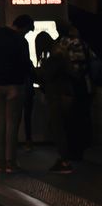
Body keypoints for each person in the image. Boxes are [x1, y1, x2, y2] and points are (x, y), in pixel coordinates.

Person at [0, 14, 34, 173]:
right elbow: (25, 64)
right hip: (14, 85)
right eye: (27, 31)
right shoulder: (21, 41)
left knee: (0, 121)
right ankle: (10, 162)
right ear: (24, 27)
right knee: (12, 123)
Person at [36, 31, 75, 174]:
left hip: (58, 96)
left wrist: (37, 71)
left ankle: (64, 161)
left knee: (57, 128)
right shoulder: (60, 53)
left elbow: (46, 75)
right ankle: (64, 159)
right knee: (61, 127)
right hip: (65, 95)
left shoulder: (55, 57)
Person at [57, 23, 94, 161]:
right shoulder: (81, 43)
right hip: (83, 86)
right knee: (82, 117)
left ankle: (70, 150)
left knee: (69, 120)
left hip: (68, 87)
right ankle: (80, 149)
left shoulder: (61, 43)